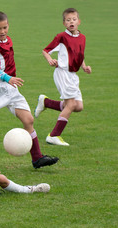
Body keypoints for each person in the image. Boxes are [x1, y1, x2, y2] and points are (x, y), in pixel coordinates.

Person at [0, 11, 58, 168]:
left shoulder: (7, 39)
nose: (2, 31)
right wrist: (8, 78)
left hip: (11, 88)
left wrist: (10, 80)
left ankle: (37, 158)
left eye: (5, 27)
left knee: (29, 120)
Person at [34, 8, 92, 146]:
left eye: (73, 19)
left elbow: (79, 54)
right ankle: (54, 135)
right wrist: (50, 59)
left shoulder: (82, 37)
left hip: (73, 75)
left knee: (78, 106)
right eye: (68, 20)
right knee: (71, 104)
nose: (71, 22)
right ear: (64, 23)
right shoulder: (61, 37)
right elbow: (45, 50)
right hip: (63, 73)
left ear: (79, 21)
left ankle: (46, 102)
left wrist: (84, 66)